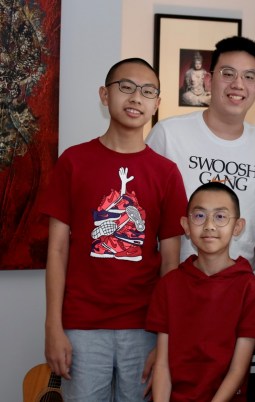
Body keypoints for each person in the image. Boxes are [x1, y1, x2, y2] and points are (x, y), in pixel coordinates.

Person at [40, 57, 187, 401]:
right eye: (126, 87)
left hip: (145, 326)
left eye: (147, 91)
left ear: (157, 104)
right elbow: (57, 251)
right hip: (82, 325)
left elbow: (170, 263)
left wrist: (165, 338)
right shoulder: (73, 162)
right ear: (105, 95)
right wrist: (52, 326)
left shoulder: (166, 173)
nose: (136, 97)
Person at [147, 36, 255, 277]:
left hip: (241, 288)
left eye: (249, 77)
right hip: (176, 283)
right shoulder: (168, 135)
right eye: (228, 74)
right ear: (209, 79)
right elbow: (144, 216)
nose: (238, 84)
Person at [146, 182, 255, 402]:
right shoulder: (170, 284)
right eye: (200, 216)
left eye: (220, 217)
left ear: (237, 227)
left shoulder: (250, 289)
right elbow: (162, 364)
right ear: (186, 225)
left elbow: (238, 370)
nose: (209, 226)